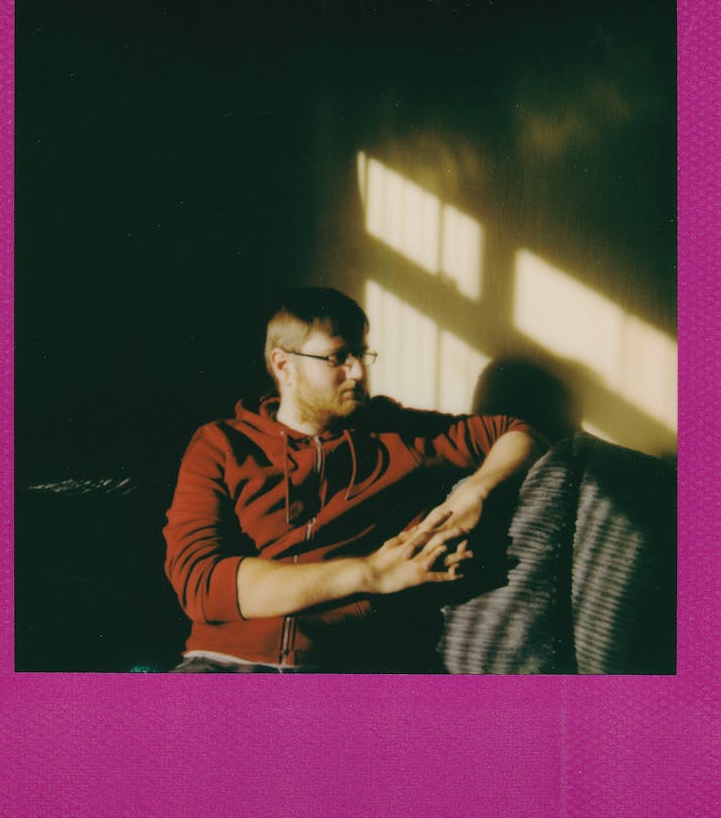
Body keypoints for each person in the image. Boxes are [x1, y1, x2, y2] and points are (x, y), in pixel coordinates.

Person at [163, 287, 545, 673]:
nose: (359, 372)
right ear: (283, 365)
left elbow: (518, 433)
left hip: (339, 674)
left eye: (361, 354)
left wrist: (473, 494)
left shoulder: (397, 434)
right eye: (338, 358)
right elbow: (200, 583)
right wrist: (371, 573)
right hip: (220, 665)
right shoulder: (222, 444)